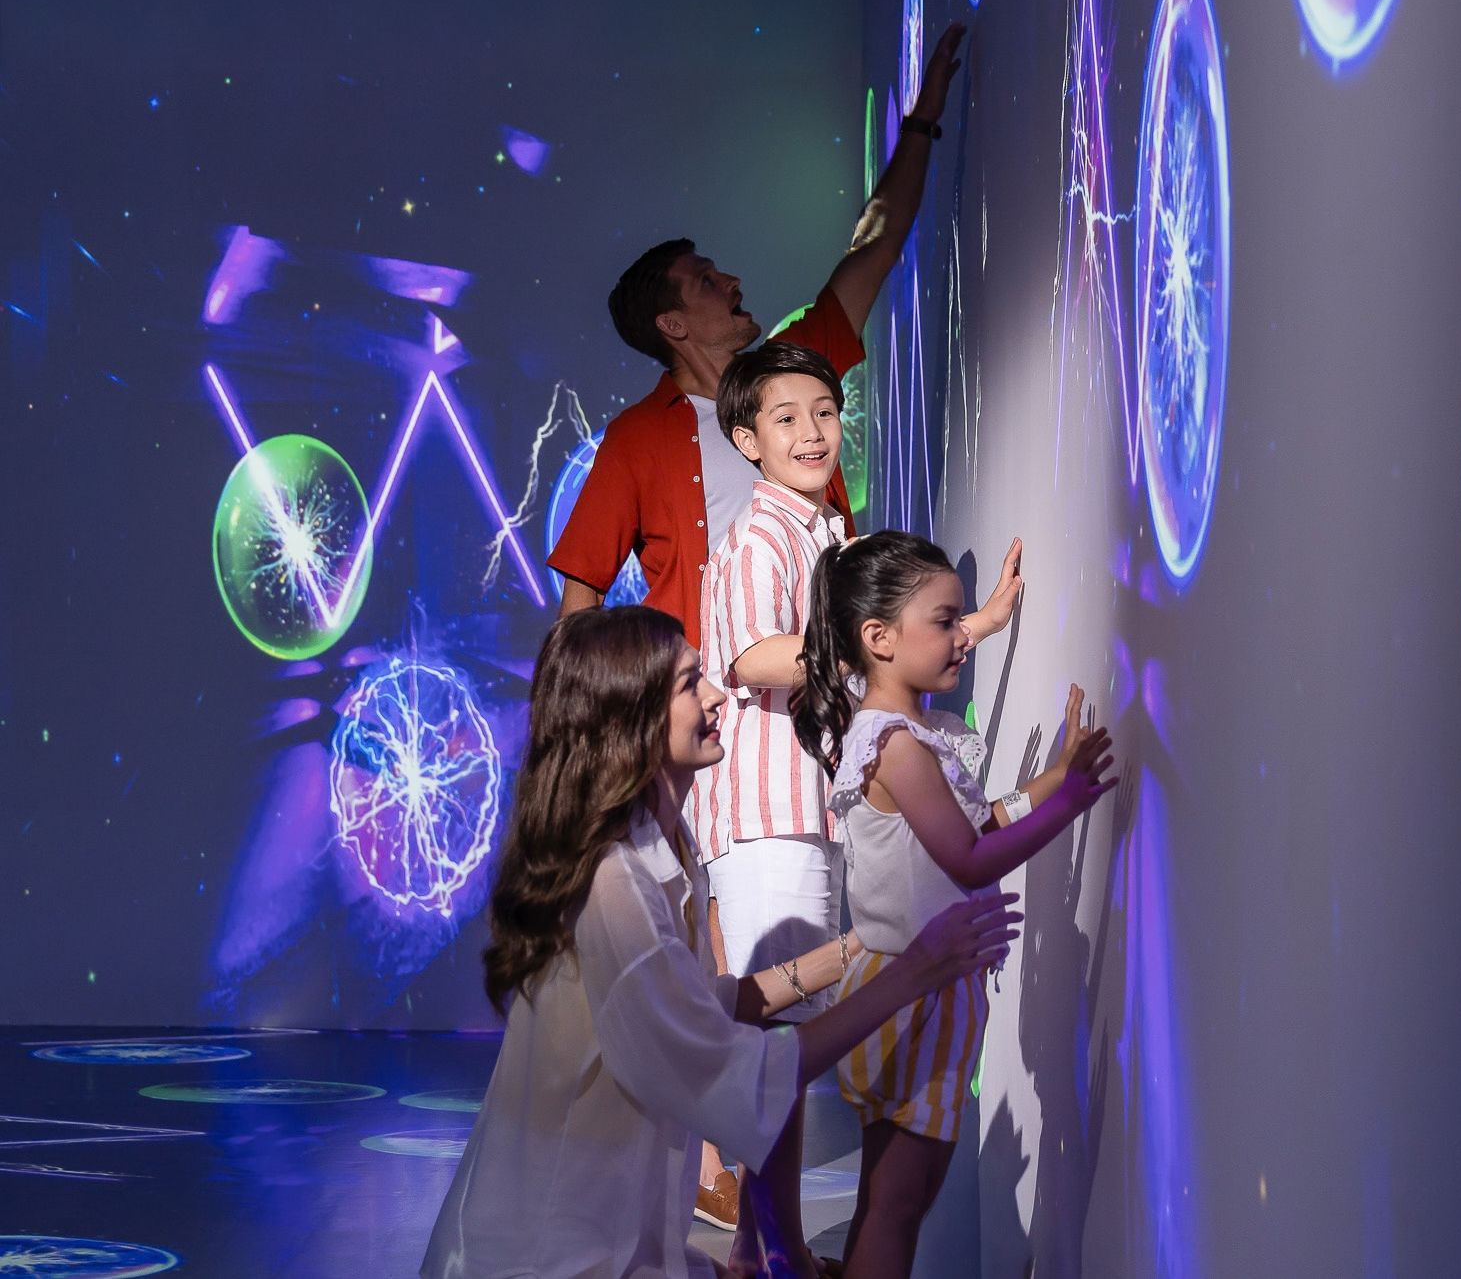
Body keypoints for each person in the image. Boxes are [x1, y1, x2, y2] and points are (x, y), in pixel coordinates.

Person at [545, 21, 969, 1223]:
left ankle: (774, 1216)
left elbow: (872, 250)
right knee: (754, 974)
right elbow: (577, 604)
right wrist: (594, 746)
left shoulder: (788, 378)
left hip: (833, 737)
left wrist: (921, 120)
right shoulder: (634, 443)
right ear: (671, 323)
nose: (732, 282)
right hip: (728, 751)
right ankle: (743, 1211)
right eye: (707, 280)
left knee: (831, 960)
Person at [420, 606, 1019, 1279]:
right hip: (549, 1262)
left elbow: (704, 1003)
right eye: (688, 684)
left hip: (614, 1247)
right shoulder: (613, 884)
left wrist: (860, 948)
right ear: (630, 719)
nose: (716, 697)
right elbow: (729, 1067)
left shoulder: (668, 848)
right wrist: (912, 972)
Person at [694, 345, 1023, 1265]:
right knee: (774, 1043)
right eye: (786, 417)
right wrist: (889, 646)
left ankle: (772, 1250)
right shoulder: (759, 536)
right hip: (768, 813)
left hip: (807, 809)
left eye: (825, 412)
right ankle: (771, 1252)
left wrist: (964, 627)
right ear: (746, 439)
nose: (812, 432)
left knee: (788, 1039)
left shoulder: (824, 531)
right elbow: (752, 656)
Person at [791, 532, 1117, 1279]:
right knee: (899, 1201)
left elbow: (977, 823)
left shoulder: (911, 736)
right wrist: (1067, 803)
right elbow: (968, 857)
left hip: (920, 988)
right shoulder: (896, 744)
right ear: (879, 638)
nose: (962, 637)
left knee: (896, 1197)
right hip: (916, 994)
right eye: (945, 622)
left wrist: (1054, 778)